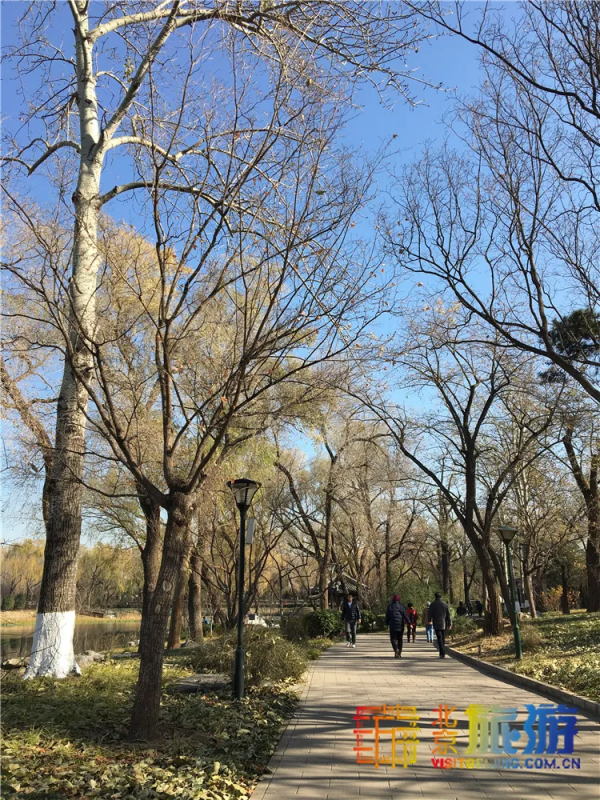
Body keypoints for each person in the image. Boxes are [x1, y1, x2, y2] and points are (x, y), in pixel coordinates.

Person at [428, 592, 452, 658]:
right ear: (440, 597)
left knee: (439, 638)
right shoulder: (445, 604)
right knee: (442, 637)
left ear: (435, 596)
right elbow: (448, 614)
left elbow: (430, 613)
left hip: (436, 622)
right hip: (443, 622)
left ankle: (442, 652)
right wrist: (449, 623)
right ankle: (442, 651)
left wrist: (429, 620)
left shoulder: (432, 604)